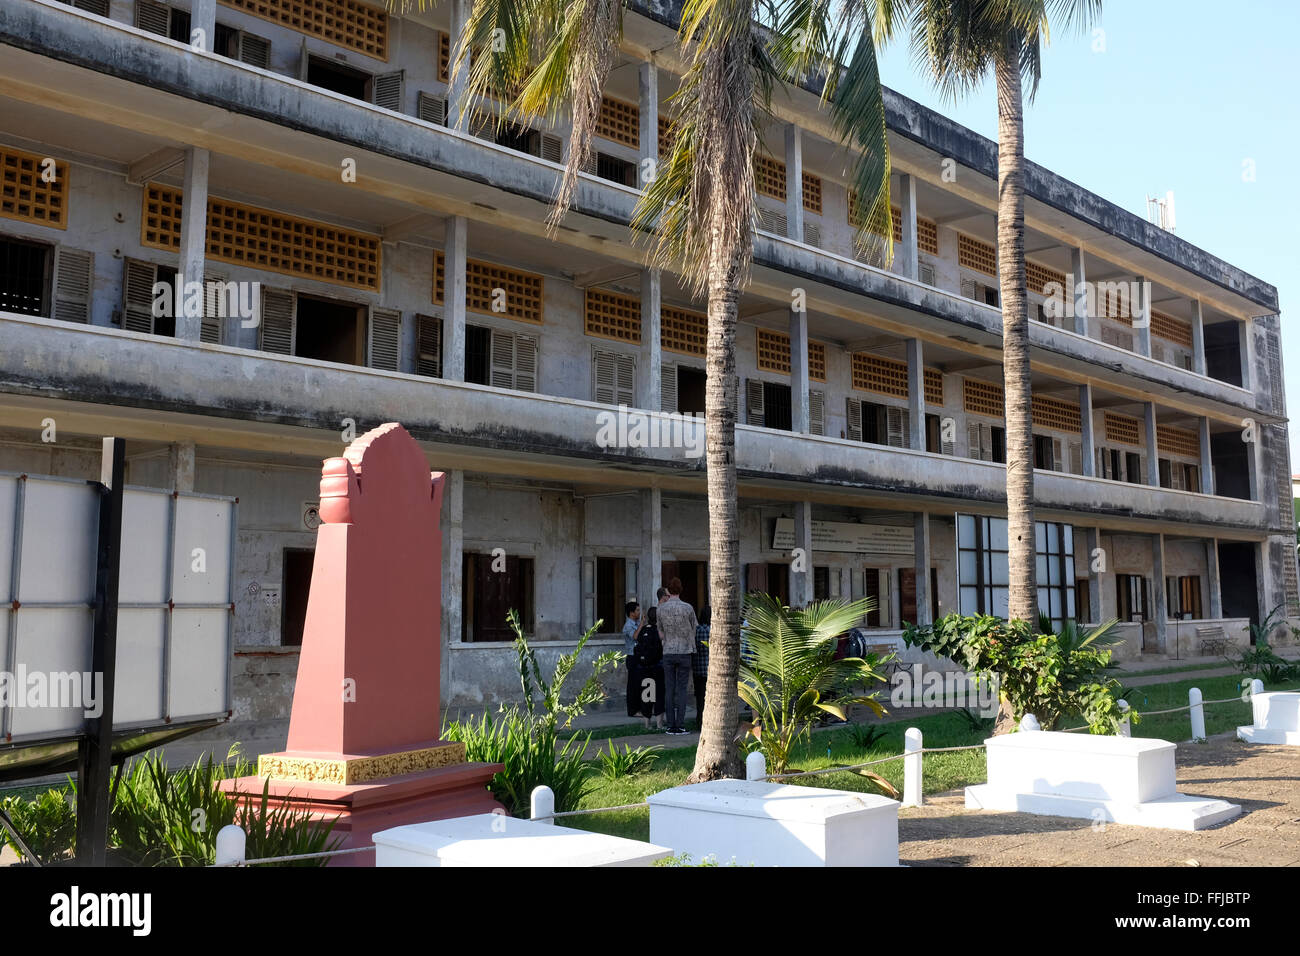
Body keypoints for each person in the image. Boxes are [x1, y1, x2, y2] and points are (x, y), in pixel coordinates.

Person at [656, 577, 699, 735]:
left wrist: (668, 638)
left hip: (668, 650)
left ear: (668, 591)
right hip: (684, 651)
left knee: (669, 689)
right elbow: (694, 628)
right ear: (680, 590)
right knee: (681, 689)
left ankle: (670, 725)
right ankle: (680, 725)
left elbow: (660, 632)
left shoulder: (661, 609)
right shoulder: (688, 608)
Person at [626, 606, 664, 729]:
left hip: (644, 667)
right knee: (658, 695)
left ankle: (647, 724)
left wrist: (642, 624)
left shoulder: (642, 630)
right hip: (656, 666)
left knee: (647, 694)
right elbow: (662, 639)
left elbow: (637, 639)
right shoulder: (657, 630)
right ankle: (659, 724)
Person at [693, 606, 711, 732]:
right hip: (710, 669)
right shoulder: (713, 630)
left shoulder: (696, 630)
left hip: (697, 669)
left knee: (700, 698)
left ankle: (699, 722)